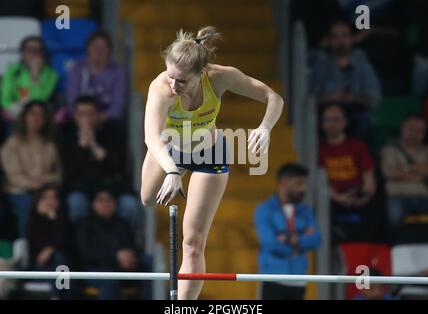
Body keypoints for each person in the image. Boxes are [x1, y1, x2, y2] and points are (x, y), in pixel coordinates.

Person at [139, 26, 284, 300]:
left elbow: (273, 98)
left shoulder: (220, 77)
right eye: (170, 76)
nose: (173, 85)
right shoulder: (161, 89)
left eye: (181, 81)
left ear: (201, 73)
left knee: (193, 243)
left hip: (209, 152)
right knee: (146, 198)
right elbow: (151, 136)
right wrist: (171, 169)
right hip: (169, 148)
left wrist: (265, 128)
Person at [58, 96, 139, 227]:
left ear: (99, 115)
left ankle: (126, 242)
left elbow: (118, 166)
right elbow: (69, 172)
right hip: (81, 189)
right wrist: (82, 148)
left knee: (129, 204)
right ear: (75, 116)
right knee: (75, 203)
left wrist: (94, 146)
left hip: (111, 187)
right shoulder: (67, 134)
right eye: (81, 114)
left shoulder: (113, 131)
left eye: (90, 114)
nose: (86, 119)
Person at [254, 163, 321, 300]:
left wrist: (288, 239)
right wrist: (297, 246)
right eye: (299, 183)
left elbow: (316, 239)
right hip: (272, 277)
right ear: (283, 183)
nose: (304, 188)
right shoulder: (265, 209)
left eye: (304, 184)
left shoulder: (306, 211)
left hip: (299, 279)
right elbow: (270, 242)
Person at [310, 20, 381, 140]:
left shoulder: (362, 63)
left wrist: (351, 97)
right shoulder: (320, 64)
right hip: (325, 114)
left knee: (364, 121)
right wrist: (331, 97)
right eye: (335, 37)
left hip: (355, 114)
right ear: (329, 40)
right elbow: (309, 100)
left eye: (344, 36)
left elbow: (374, 99)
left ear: (352, 38)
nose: (340, 41)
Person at [0, 101, 62, 237]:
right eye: (32, 114)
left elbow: (58, 175)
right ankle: (26, 248)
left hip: (45, 190)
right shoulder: (12, 143)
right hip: (18, 191)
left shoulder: (50, 145)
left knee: (54, 204)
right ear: (24, 117)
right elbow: (13, 175)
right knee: (28, 204)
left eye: (41, 115)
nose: (37, 118)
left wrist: (46, 182)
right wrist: (31, 184)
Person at [318, 104, 378, 243]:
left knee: (376, 210)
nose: (331, 124)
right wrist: (338, 198)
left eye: (336, 120)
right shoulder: (319, 149)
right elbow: (321, 182)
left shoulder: (358, 146)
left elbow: (369, 178)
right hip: (332, 197)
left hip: (357, 194)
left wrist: (365, 196)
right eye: (327, 120)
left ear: (345, 122)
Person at [76, 187, 143, 299]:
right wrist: (115, 256)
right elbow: (85, 253)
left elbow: (132, 247)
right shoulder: (84, 224)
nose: (105, 204)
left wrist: (131, 257)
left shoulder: (122, 224)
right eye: (101, 200)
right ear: (93, 204)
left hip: (122, 269)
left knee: (148, 264)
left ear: (115, 204)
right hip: (93, 270)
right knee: (110, 279)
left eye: (109, 200)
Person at [67, 31, 127, 122]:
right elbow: (72, 102)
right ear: (88, 49)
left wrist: (98, 119)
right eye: (95, 46)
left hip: (106, 121)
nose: (98, 51)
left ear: (109, 51)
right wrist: (84, 119)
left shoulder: (118, 72)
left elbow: (117, 107)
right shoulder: (77, 69)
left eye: (103, 47)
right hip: (79, 119)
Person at [381, 115, 428, 231]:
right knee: (394, 218)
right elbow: (390, 172)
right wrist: (419, 172)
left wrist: (404, 168)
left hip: (424, 197)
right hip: (398, 197)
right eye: (411, 129)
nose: (414, 133)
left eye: (419, 130)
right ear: (402, 128)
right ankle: (395, 247)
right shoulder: (390, 149)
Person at [27, 185, 73, 299]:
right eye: (46, 197)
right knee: (60, 266)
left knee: (60, 259)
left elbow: (65, 243)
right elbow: (35, 247)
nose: (50, 201)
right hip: (39, 268)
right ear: (39, 200)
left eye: (54, 198)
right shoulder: (32, 220)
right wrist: (40, 218)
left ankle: (57, 296)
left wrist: (55, 220)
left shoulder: (63, 221)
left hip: (62, 267)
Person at [1, 36, 58, 121]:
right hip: (15, 112)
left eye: (38, 50)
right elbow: (5, 98)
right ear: (22, 53)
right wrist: (15, 108)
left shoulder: (51, 75)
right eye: (31, 50)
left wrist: (35, 75)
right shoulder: (12, 71)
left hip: (39, 114)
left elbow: (40, 99)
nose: (34, 54)